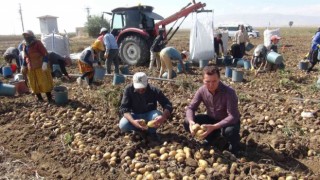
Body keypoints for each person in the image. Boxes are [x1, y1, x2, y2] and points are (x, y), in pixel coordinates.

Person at [184, 66, 241, 155]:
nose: (211, 85)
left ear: (219, 79)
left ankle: (233, 145)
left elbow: (233, 116)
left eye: (214, 81)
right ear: (203, 80)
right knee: (187, 121)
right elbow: (191, 108)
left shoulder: (229, 92)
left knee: (231, 132)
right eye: (207, 82)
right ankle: (213, 139)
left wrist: (214, 126)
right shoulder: (202, 90)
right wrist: (191, 122)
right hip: (211, 119)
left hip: (226, 122)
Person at [119, 72, 173, 141]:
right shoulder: (128, 90)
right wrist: (133, 122)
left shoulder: (154, 90)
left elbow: (167, 104)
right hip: (134, 115)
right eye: (138, 89)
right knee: (123, 125)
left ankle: (151, 132)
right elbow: (124, 108)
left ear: (147, 82)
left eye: (143, 89)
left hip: (149, 116)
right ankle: (138, 131)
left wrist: (163, 117)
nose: (141, 91)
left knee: (157, 115)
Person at [20, 30, 54, 102]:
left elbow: (45, 53)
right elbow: (25, 57)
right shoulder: (24, 45)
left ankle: (49, 98)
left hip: (40, 66)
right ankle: (40, 98)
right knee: (33, 83)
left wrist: (45, 62)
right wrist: (23, 65)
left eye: (27, 35)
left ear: (31, 35)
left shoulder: (37, 43)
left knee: (44, 82)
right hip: (31, 67)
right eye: (25, 36)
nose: (26, 37)